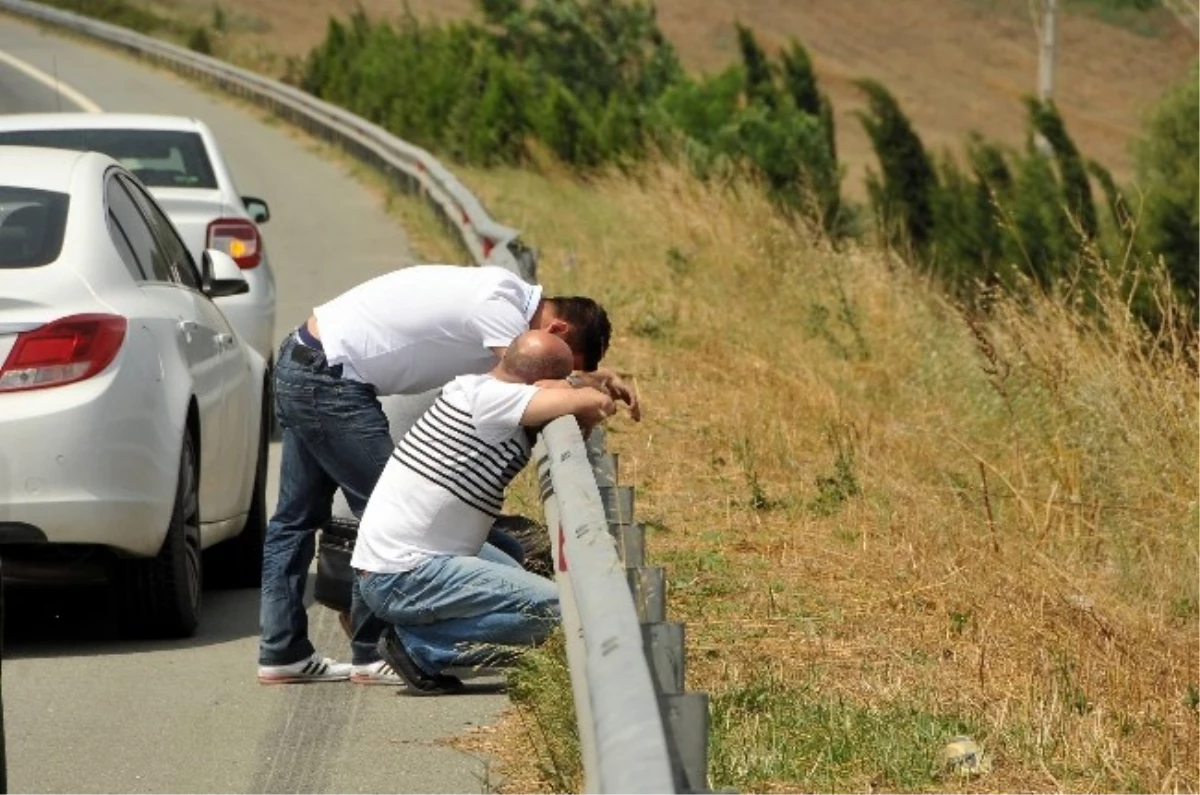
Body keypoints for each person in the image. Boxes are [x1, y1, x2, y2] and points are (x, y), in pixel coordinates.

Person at [256, 265, 638, 685]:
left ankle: (282, 651)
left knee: (295, 517)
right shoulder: (501, 310)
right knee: (376, 503)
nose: (563, 376)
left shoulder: (505, 293)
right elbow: (531, 382)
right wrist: (586, 387)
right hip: (330, 377)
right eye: (565, 364)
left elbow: (535, 375)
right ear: (558, 330)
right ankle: (373, 651)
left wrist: (589, 378)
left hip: (305, 359)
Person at [353, 330, 616, 694]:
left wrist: (587, 379)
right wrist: (588, 389)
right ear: (543, 382)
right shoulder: (497, 403)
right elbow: (594, 404)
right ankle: (421, 648)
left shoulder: (478, 387)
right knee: (557, 608)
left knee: (523, 572)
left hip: (396, 562)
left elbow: (570, 390)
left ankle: (427, 638)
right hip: (404, 575)